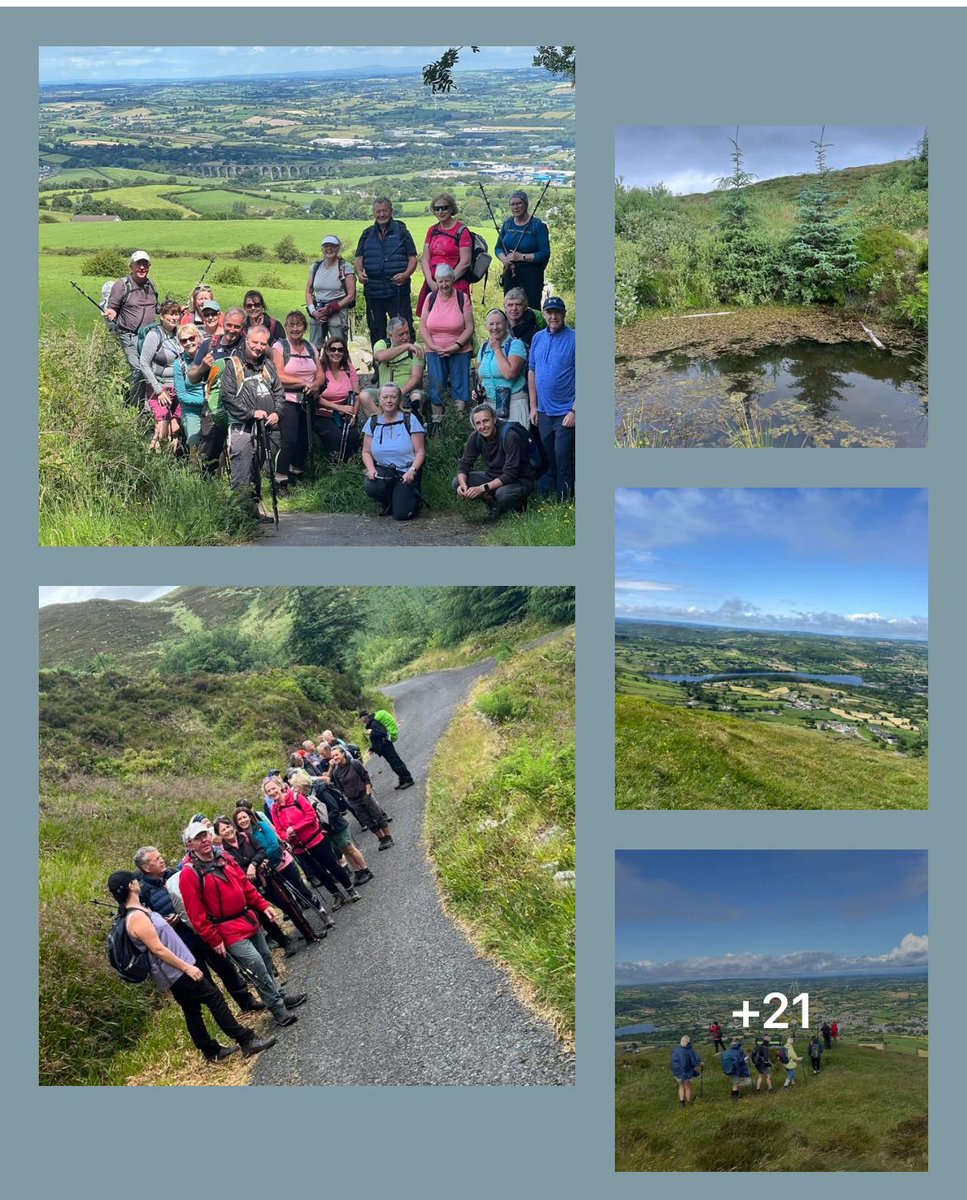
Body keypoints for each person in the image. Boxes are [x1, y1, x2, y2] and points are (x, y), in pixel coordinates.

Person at [107, 869, 276, 1063]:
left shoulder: (138, 911)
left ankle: (210, 1051)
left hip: (174, 970)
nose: (138, 882)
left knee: (191, 1009)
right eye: (135, 880)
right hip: (176, 971)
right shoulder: (136, 917)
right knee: (214, 998)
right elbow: (158, 949)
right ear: (131, 886)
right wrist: (187, 967)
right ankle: (246, 1040)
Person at [179, 820, 306, 1029]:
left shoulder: (224, 857)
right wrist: (214, 939)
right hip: (226, 929)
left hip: (247, 918)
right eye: (197, 839)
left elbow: (245, 885)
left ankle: (280, 996)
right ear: (190, 845)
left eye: (205, 836)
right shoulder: (189, 874)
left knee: (265, 960)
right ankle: (277, 1007)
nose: (204, 841)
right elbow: (196, 914)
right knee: (255, 965)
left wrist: (262, 904)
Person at [133, 845, 264, 1014]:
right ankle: (226, 1014)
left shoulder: (176, 874)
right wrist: (164, 923)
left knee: (226, 967)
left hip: (202, 931)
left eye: (160, 856)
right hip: (182, 943)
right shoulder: (144, 893)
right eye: (156, 859)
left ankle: (246, 1001)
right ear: (145, 867)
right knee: (206, 980)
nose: (162, 860)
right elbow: (148, 923)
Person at [212, 816, 319, 953]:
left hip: (267, 878)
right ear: (219, 834)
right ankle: (285, 945)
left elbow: (261, 850)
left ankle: (309, 933)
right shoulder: (223, 853)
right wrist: (252, 867)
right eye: (223, 830)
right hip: (249, 888)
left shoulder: (246, 836)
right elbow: (232, 870)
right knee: (265, 917)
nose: (227, 831)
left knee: (288, 904)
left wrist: (253, 864)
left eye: (228, 826)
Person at [233, 802, 336, 926]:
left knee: (301, 889)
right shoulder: (240, 839)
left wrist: (260, 860)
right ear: (236, 823)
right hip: (267, 873)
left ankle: (323, 913)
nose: (243, 820)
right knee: (288, 898)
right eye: (239, 819)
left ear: (250, 816)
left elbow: (274, 845)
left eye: (245, 817)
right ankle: (305, 925)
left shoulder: (262, 826)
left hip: (282, 863)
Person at [219, 324, 284, 517]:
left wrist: (278, 413)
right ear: (246, 340)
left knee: (256, 468)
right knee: (242, 468)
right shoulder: (234, 364)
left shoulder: (269, 365)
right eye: (255, 342)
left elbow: (279, 393)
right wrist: (251, 413)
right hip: (242, 428)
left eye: (263, 344)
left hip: (264, 428)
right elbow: (228, 396)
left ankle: (253, 510)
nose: (258, 347)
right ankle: (239, 514)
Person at [267, 778, 361, 909]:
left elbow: (311, 815)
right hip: (300, 848)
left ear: (279, 786)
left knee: (332, 865)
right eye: (268, 791)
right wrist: (286, 836)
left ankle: (350, 889)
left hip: (317, 840)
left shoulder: (296, 797)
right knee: (320, 873)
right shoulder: (274, 809)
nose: (272, 792)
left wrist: (296, 828)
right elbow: (279, 830)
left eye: (273, 788)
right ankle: (336, 895)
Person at [187, 305, 248, 474]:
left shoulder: (247, 346)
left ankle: (236, 489)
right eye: (229, 325)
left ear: (243, 328)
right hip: (213, 409)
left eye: (237, 327)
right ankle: (208, 490)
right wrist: (202, 368)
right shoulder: (209, 344)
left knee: (237, 451)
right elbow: (192, 377)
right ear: (224, 322)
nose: (232, 330)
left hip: (239, 408)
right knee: (209, 455)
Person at [528, 296, 576, 501]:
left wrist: (575, 410)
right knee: (550, 458)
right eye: (549, 312)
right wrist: (533, 406)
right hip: (544, 412)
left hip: (566, 412)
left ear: (564, 314)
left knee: (562, 455)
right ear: (544, 314)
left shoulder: (576, 338)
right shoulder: (538, 337)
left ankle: (565, 501)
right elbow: (532, 371)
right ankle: (556, 495)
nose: (553, 316)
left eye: (557, 312)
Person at [453, 404, 534, 522]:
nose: (482, 426)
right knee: (457, 481)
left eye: (486, 421)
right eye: (478, 423)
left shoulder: (510, 435)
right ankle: (493, 504)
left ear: (494, 419)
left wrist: (482, 488)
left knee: (503, 494)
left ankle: (518, 505)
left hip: (518, 479)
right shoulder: (475, 437)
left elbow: (510, 474)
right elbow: (464, 464)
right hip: (493, 476)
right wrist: (463, 485)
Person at [354, 197, 418, 346]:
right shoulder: (366, 234)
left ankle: (409, 363)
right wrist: (359, 273)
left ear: (391, 211)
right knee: (376, 330)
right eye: (378, 211)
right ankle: (380, 367)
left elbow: (413, 259)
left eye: (385, 211)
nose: (381, 214)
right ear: (373, 213)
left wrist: (405, 275)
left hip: (397, 291)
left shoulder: (402, 232)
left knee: (403, 329)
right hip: (373, 291)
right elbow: (359, 258)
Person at [272, 310, 323, 485]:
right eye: (291, 325)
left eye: (299, 324)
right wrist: (303, 383)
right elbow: (278, 375)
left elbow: (320, 374)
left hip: (308, 400)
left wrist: (315, 385)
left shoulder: (311, 348)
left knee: (305, 441)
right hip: (288, 400)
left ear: (305, 327)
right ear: (286, 327)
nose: (295, 328)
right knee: (289, 440)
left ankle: (296, 473)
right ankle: (280, 478)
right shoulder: (280, 347)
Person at [361, 383, 427, 521]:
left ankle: (409, 499)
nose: (389, 400)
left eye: (393, 397)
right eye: (385, 397)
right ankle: (389, 501)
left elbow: (420, 451)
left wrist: (412, 471)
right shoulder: (373, 421)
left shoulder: (409, 419)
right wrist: (371, 469)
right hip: (384, 470)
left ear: (398, 400)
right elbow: (366, 452)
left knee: (402, 515)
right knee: (370, 486)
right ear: (379, 399)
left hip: (406, 472)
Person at [103, 250, 159, 407]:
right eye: (138, 264)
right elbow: (113, 307)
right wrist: (111, 313)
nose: (142, 267)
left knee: (151, 369)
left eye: (145, 264)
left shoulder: (151, 284)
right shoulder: (122, 285)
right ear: (131, 266)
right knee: (139, 369)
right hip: (129, 335)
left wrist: (173, 311)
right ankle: (137, 409)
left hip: (149, 336)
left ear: (149, 266)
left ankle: (150, 406)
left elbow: (156, 307)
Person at [420, 264, 475, 424]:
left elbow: (470, 327)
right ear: (436, 281)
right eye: (440, 281)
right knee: (436, 388)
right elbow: (423, 326)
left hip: (460, 349)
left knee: (460, 388)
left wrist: (456, 346)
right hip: (434, 349)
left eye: (447, 281)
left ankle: (456, 426)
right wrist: (433, 346)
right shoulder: (430, 298)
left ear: (453, 280)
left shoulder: (462, 297)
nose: (444, 285)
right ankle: (438, 427)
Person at [140, 300, 185, 452]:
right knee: (161, 429)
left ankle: (171, 462)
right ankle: (152, 460)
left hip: (178, 387)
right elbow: (144, 363)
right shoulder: (154, 335)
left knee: (175, 428)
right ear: (162, 316)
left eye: (177, 314)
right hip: (160, 387)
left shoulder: (180, 334)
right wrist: (158, 390)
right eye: (170, 314)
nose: (174, 318)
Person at [327, 747, 393, 850]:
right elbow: (340, 787)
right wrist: (347, 797)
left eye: (337, 755)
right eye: (333, 756)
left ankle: (389, 838)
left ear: (343, 753)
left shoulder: (354, 763)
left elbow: (365, 777)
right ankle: (382, 839)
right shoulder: (336, 772)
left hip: (364, 795)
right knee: (367, 821)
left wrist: (367, 792)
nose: (335, 757)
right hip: (354, 801)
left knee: (377, 816)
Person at [418, 193, 473, 317]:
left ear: (452, 209)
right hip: (432, 283)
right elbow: (425, 259)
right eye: (437, 208)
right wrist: (431, 282)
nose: (440, 211)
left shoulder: (462, 231)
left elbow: (465, 262)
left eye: (444, 207)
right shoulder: (432, 230)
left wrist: (445, 283)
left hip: (456, 283)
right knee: (431, 321)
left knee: (456, 321)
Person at [495, 190, 551, 309]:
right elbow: (498, 248)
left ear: (526, 204)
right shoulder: (508, 224)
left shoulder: (538, 226)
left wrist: (522, 257)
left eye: (519, 203)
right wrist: (504, 259)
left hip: (531, 277)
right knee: (511, 308)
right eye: (513, 204)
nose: (516, 207)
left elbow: (545, 254)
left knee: (531, 308)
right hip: (510, 273)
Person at [362, 316, 425, 418]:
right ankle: (380, 425)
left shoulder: (417, 348)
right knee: (364, 395)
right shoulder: (382, 344)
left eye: (407, 332)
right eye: (401, 334)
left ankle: (415, 425)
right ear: (390, 335)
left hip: (408, 392)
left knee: (416, 396)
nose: (406, 337)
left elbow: (416, 378)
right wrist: (406, 347)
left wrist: (398, 394)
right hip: (384, 393)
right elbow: (380, 356)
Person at [475, 308, 529, 424]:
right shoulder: (484, 347)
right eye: (491, 324)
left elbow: (510, 374)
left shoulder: (516, 345)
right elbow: (480, 375)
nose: (495, 327)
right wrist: (478, 391)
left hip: (514, 402)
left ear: (506, 324)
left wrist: (497, 349)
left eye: (498, 323)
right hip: (488, 404)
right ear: (486, 326)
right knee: (491, 442)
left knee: (513, 440)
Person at [313, 337, 361, 460]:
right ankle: (332, 466)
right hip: (323, 412)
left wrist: (353, 414)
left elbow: (356, 394)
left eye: (340, 350)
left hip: (345, 413)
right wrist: (339, 407)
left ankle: (347, 466)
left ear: (345, 352)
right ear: (327, 351)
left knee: (354, 437)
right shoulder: (320, 369)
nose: (336, 353)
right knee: (335, 437)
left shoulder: (348, 368)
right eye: (332, 349)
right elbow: (315, 397)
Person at [306, 235, 356, 347]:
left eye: (332, 246)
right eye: (326, 246)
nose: (329, 249)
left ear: (338, 248)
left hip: (338, 311)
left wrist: (334, 307)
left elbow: (351, 295)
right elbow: (308, 291)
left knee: (338, 347)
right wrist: (313, 311)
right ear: (322, 249)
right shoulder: (315, 267)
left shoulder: (345, 267)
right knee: (314, 347)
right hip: (318, 311)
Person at [359, 710, 414, 790]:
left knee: (396, 762)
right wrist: (373, 749)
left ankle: (409, 780)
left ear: (364, 718)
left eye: (361, 719)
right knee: (393, 764)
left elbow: (383, 733)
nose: (361, 721)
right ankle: (402, 780)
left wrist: (372, 732)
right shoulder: (372, 724)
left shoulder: (374, 723)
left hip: (386, 746)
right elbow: (377, 739)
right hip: (383, 747)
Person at [173, 325, 207, 452]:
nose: (188, 343)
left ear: (198, 338)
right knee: (195, 448)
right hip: (192, 412)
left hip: (212, 410)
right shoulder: (179, 363)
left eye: (191, 338)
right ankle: (194, 471)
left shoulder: (208, 358)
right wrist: (205, 401)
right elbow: (182, 396)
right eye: (183, 340)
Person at [669, 1035, 704, 1107]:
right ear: (688, 1042)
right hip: (686, 1072)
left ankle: (682, 1103)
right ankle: (689, 1103)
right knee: (688, 1087)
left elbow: (673, 1061)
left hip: (677, 1072)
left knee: (681, 1086)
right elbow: (693, 1062)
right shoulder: (689, 1050)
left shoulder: (676, 1050)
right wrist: (700, 1063)